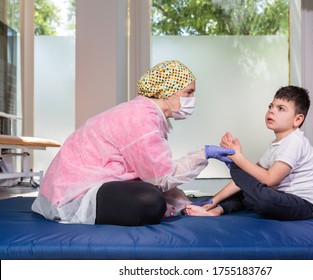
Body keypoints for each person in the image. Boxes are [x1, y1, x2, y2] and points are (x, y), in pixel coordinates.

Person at [31, 60, 234, 226]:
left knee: (157, 195)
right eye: (188, 92)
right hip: (72, 195)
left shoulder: (143, 112)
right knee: (150, 201)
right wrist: (203, 154)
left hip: (69, 186)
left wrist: (184, 203)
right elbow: (161, 178)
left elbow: (153, 174)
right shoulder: (142, 119)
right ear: (166, 91)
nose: (192, 99)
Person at [185, 86, 313, 221]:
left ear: (298, 119)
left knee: (262, 198)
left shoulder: (294, 142)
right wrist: (213, 200)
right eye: (271, 106)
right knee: (247, 189)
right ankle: (217, 210)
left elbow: (270, 179)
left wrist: (236, 158)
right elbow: (248, 178)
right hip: (283, 198)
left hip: (305, 205)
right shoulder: (276, 145)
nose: (272, 111)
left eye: (281, 109)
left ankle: (231, 171)